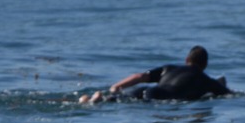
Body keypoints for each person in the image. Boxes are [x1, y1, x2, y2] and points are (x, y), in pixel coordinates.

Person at [79, 45, 232, 104]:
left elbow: (139, 77)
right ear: (205, 65)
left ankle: (95, 98)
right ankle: (95, 100)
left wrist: (115, 86)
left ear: (187, 60)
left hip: (145, 90)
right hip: (159, 98)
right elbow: (228, 94)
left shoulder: (169, 68)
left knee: (114, 99)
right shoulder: (205, 80)